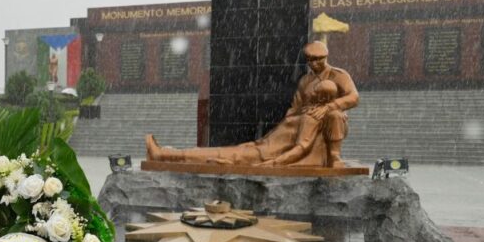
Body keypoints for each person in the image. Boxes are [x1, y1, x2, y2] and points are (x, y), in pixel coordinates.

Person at [146, 80, 341, 167]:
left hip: (263, 155)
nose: (311, 93)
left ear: (322, 97)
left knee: (212, 154)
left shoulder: (312, 117)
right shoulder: (308, 112)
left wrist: (272, 164)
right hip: (259, 148)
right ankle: (166, 155)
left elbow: (301, 147)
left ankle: (163, 155)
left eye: (316, 92)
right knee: (213, 153)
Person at [290, 40, 359, 167]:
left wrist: (330, 107)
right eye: (310, 60)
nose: (313, 63)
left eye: (317, 59)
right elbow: (296, 106)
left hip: (333, 120)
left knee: (334, 115)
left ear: (325, 57)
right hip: (308, 118)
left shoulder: (339, 75)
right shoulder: (305, 80)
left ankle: (334, 156)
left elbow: (354, 97)